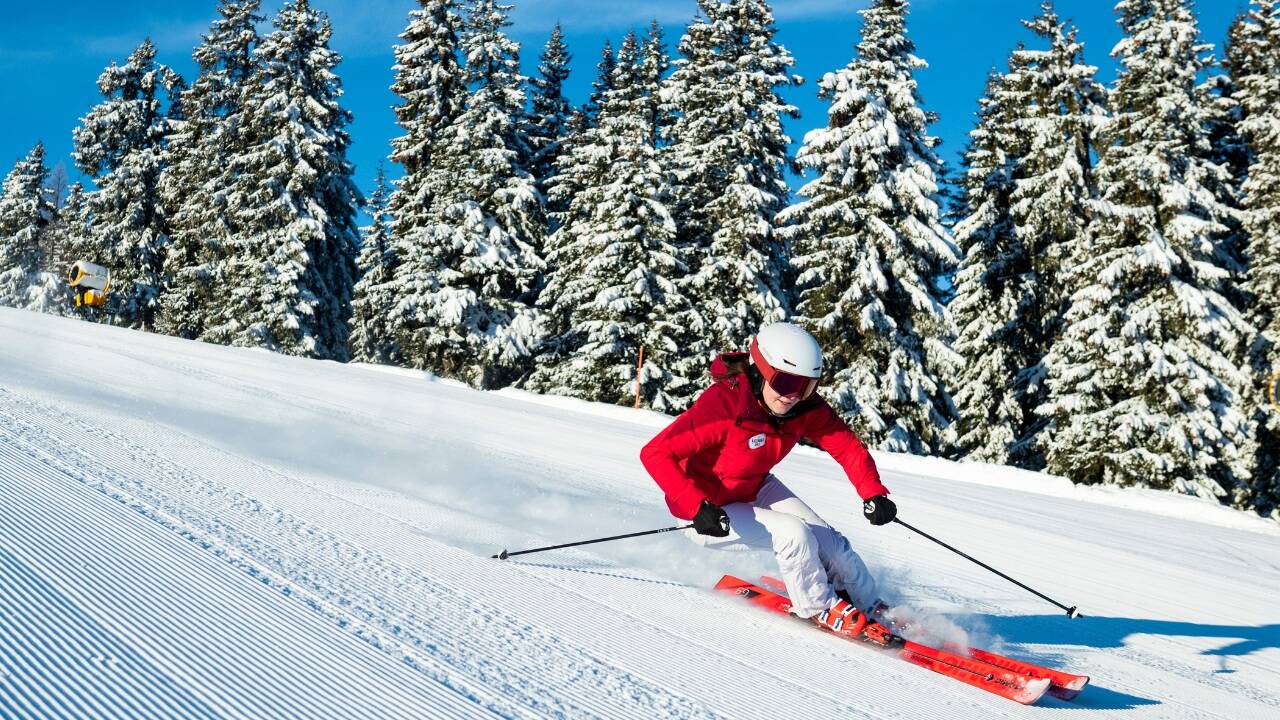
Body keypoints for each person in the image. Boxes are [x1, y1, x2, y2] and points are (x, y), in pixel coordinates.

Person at [640, 322, 897, 636]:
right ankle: (817, 605)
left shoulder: (803, 408)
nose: (793, 395)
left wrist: (873, 493)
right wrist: (696, 506)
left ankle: (869, 603)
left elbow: (845, 445)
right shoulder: (725, 407)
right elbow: (655, 453)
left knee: (832, 543)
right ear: (761, 370)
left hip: (752, 484)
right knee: (794, 535)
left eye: (806, 386)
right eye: (786, 381)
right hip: (708, 511)